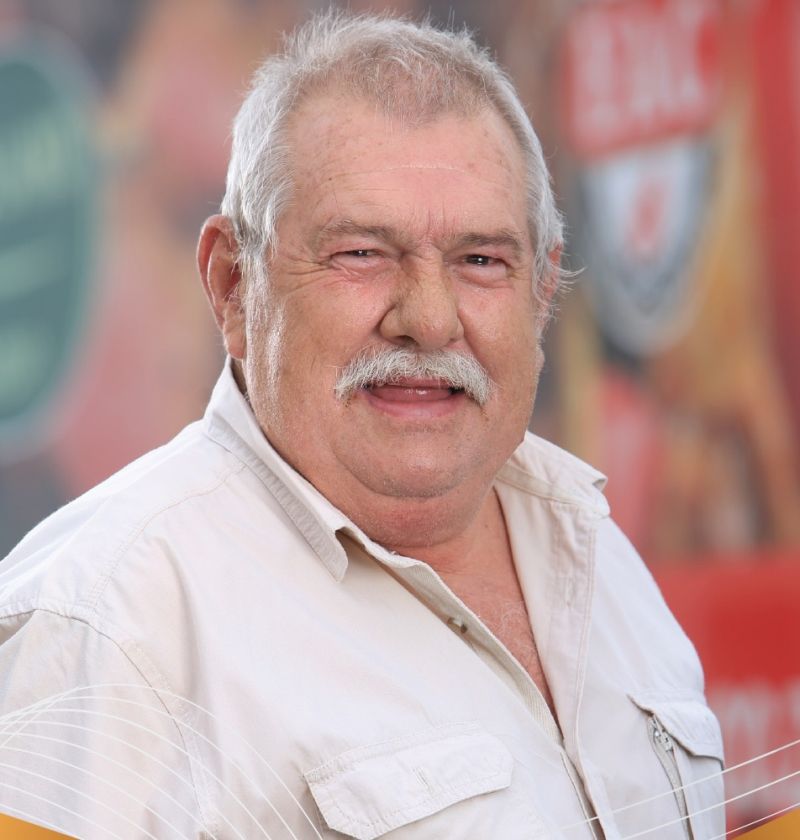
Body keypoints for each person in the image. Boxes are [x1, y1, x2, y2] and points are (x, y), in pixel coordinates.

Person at [0, 11, 725, 839]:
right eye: (361, 254)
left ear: (542, 290)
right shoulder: (104, 627)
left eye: (481, 261)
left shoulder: (596, 554)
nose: (429, 318)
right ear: (233, 285)